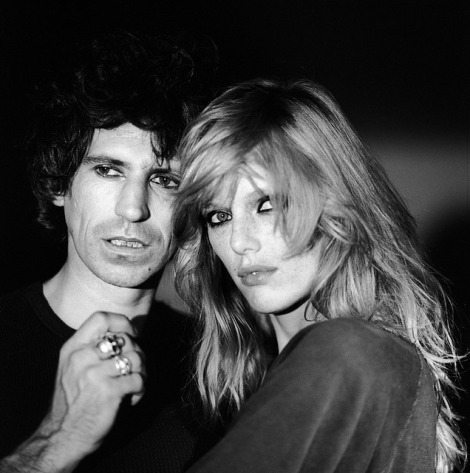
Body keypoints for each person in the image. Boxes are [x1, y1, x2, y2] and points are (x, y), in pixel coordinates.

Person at [173, 79, 466, 472]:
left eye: (267, 204)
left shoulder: (351, 352)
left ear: (334, 204)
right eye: (218, 216)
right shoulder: (277, 373)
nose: (240, 241)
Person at [0, 29, 219, 472]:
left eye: (165, 180)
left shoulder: (219, 361)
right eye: (107, 170)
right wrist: (59, 440)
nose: (134, 208)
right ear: (59, 183)